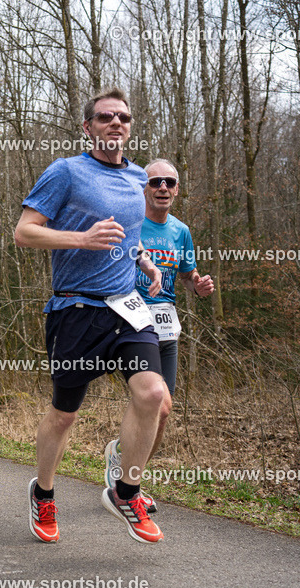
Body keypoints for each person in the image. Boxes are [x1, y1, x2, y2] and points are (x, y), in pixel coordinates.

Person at [14, 88, 167, 544]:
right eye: (105, 117)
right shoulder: (66, 172)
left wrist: (143, 261)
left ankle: (126, 489)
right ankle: (42, 493)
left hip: (127, 306)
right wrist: (82, 240)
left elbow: (126, 236)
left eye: (123, 117)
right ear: (89, 127)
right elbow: (24, 233)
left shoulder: (138, 176)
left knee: (154, 394)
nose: (115, 123)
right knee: (65, 415)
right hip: (76, 309)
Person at [103, 159, 215, 511]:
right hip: (133, 323)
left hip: (166, 324)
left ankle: (125, 467)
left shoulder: (180, 231)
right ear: (144, 188)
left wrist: (197, 284)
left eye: (169, 182)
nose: (162, 188)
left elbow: (186, 273)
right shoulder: (130, 224)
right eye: (155, 182)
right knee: (155, 401)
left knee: (163, 411)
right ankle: (126, 485)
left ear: (177, 189)